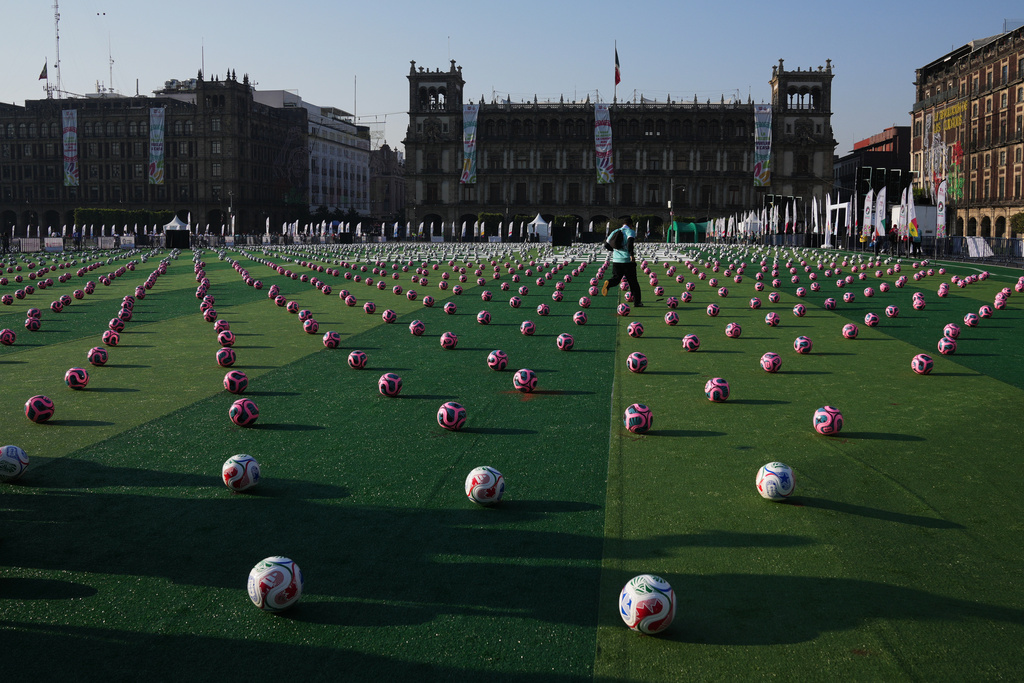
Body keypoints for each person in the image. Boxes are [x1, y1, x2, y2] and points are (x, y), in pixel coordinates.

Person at [601, 217, 642, 306]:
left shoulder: (615, 231)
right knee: (633, 282)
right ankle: (637, 302)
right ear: (630, 225)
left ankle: (609, 283)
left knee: (616, 279)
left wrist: (616, 250)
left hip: (616, 260)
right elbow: (630, 244)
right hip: (627, 261)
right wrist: (631, 255)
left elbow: (606, 245)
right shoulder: (630, 232)